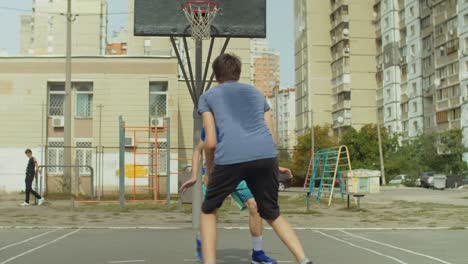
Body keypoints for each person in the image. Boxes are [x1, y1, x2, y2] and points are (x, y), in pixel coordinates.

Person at [197, 53, 313, 264]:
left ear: (215, 76)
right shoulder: (257, 94)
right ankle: (303, 259)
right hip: (265, 156)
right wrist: (275, 166)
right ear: (239, 74)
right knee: (272, 213)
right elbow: (271, 137)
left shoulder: (208, 97)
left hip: (231, 157)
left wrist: (211, 170)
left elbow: (211, 142)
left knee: (208, 209)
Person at [180, 127, 294, 263]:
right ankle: (201, 239)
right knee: (211, 213)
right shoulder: (214, 125)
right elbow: (198, 150)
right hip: (216, 174)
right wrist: (194, 176)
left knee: (255, 206)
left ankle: (257, 253)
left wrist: (277, 167)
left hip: (239, 173)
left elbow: (255, 153)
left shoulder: (243, 125)